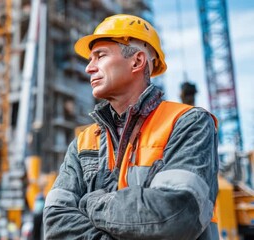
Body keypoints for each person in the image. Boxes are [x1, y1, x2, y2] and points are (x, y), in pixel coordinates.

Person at [43, 14, 219, 239]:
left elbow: (174, 215)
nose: (89, 68)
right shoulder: (83, 142)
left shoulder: (188, 123)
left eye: (100, 56)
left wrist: (91, 203)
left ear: (137, 61)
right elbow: (55, 223)